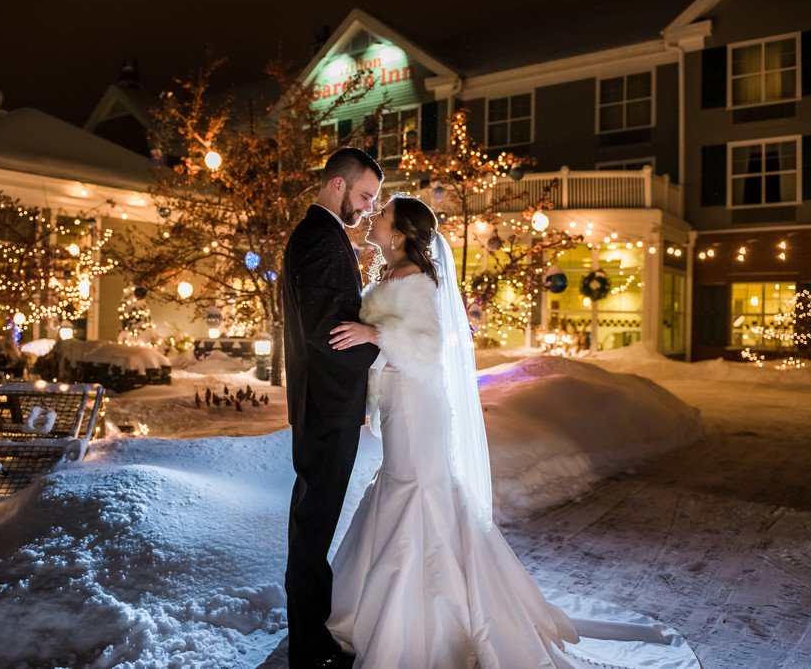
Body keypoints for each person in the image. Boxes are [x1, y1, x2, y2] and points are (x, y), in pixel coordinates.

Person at [326, 194, 696, 668]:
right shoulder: (391, 274)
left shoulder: (415, 278)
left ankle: (426, 625)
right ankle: (373, 609)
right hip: (401, 402)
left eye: (382, 215)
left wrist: (374, 335)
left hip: (418, 405)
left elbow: (426, 346)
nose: (373, 218)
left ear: (398, 234)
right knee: (402, 486)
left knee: (420, 489)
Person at [282, 147, 383, 669]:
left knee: (313, 520)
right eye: (365, 196)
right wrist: (385, 347)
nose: (367, 208)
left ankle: (310, 636)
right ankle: (309, 644)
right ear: (339, 185)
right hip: (326, 403)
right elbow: (326, 329)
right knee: (313, 522)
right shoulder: (321, 237)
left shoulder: (320, 235)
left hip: (323, 401)